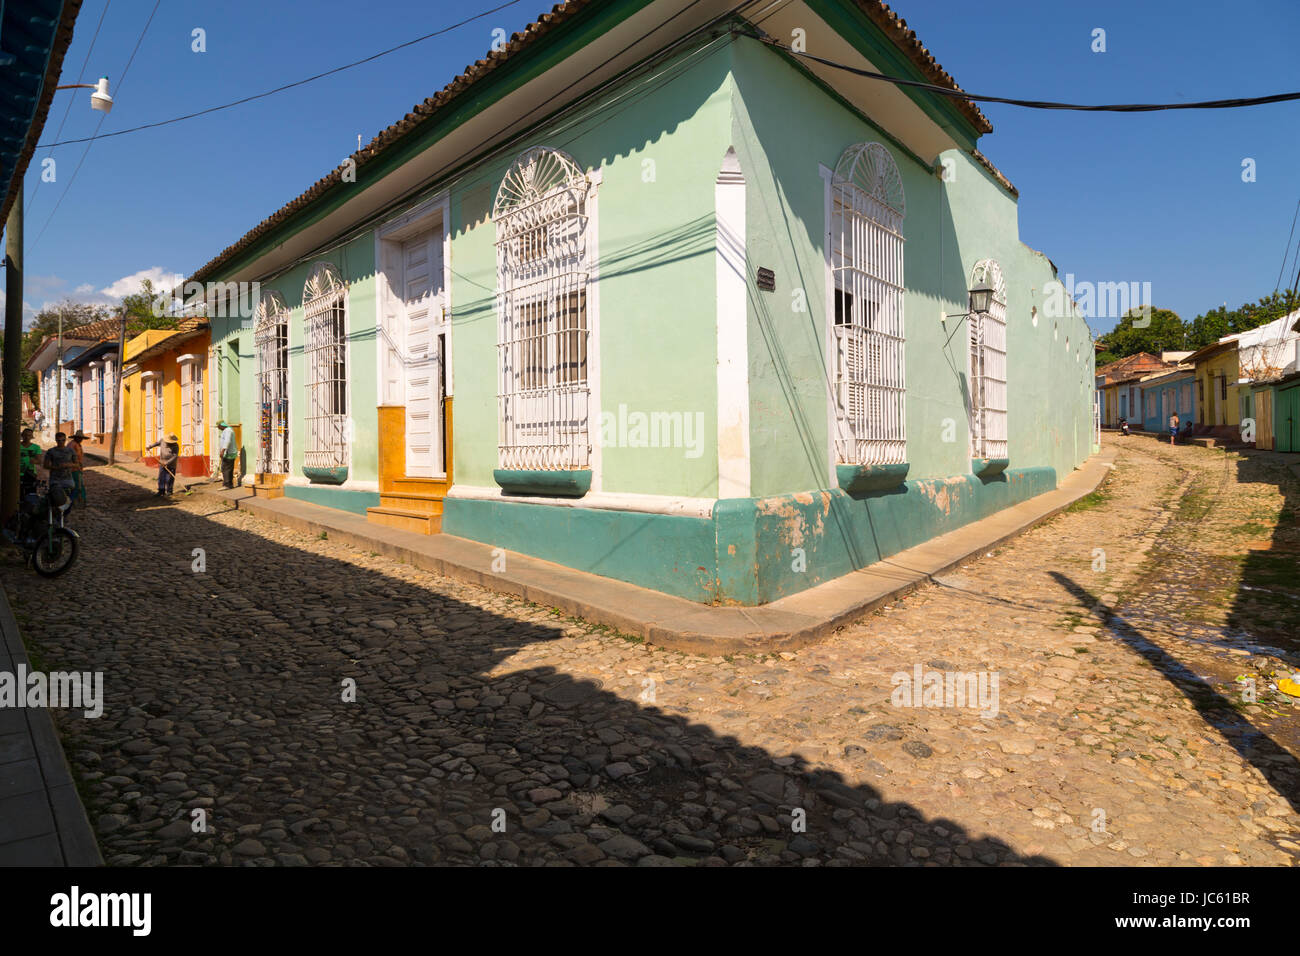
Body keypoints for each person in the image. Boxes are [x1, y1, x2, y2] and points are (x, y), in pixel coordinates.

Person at [146, 432, 180, 497]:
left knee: (169, 478)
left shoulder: (175, 446)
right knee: (161, 477)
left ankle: (169, 491)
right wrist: (150, 447)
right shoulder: (162, 441)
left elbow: (175, 456)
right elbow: (157, 443)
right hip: (162, 462)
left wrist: (167, 463)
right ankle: (161, 491)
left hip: (171, 464)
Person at [18, 428, 41, 496]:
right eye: (25, 435)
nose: (27, 437)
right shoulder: (16, 446)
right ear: (22, 435)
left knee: (31, 495)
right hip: (17, 473)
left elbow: (39, 461)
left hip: (30, 473)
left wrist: (33, 461)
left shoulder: (36, 447)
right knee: (18, 494)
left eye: (29, 435)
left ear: (31, 437)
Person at [68, 431, 89, 505]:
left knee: (79, 485)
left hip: (77, 468)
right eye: (79, 438)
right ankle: (77, 500)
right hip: (73, 468)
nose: (80, 439)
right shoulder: (72, 445)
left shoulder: (78, 444)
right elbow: (70, 456)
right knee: (77, 485)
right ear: (75, 437)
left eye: (81, 438)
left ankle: (79, 500)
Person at [217, 420, 238, 488]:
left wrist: (222, 451)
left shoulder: (228, 431)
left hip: (229, 453)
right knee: (228, 469)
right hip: (228, 453)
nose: (218, 428)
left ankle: (227, 484)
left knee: (225, 468)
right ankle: (229, 484)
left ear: (221, 425)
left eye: (218, 426)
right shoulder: (226, 430)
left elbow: (227, 441)